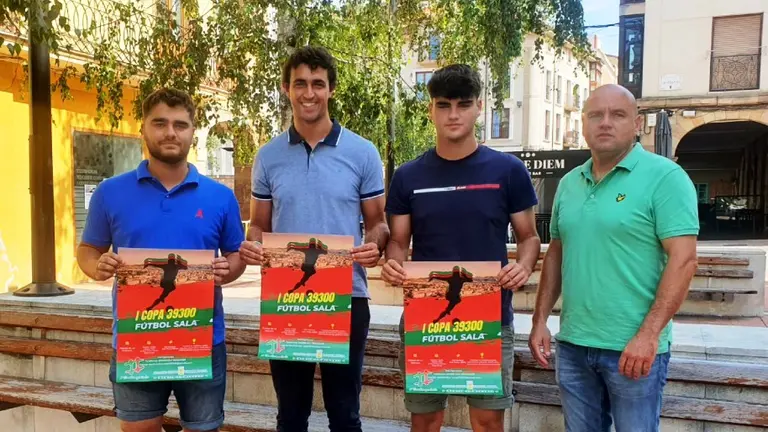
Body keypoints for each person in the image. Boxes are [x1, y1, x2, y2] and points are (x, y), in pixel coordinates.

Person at [528, 84, 699, 432]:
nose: (605, 123)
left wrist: (649, 335)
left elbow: (683, 261)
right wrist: (540, 319)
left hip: (633, 347)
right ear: (584, 123)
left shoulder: (665, 178)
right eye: (595, 115)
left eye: (617, 114)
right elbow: (557, 252)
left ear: (637, 123)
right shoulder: (569, 183)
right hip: (574, 345)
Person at [381, 64, 541, 432]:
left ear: (479, 106)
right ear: (430, 110)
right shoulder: (408, 176)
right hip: (426, 314)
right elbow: (398, 243)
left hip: (489, 315)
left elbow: (529, 237)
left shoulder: (508, 170)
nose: (453, 114)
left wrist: (524, 265)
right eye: (443, 105)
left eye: (463, 104)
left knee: (487, 422)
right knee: (425, 421)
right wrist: (392, 264)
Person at [238, 45, 389, 432]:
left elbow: (378, 223)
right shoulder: (268, 156)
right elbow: (259, 225)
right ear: (287, 88)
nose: (309, 93)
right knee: (290, 415)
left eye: (318, 84)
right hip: (287, 298)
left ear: (331, 90)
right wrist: (253, 243)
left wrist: (375, 243)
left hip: (347, 297)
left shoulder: (363, 152)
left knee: (345, 414)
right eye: (300, 83)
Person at [76, 87, 246, 432]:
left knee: (203, 429)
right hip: (136, 338)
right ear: (143, 128)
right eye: (160, 123)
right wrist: (97, 266)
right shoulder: (111, 192)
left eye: (180, 125)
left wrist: (228, 271)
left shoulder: (220, 197)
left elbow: (236, 254)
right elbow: (88, 250)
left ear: (193, 133)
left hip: (202, 340)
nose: (170, 132)